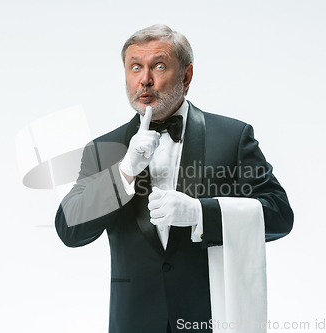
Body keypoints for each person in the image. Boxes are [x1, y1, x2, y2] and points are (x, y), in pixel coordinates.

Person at [55, 24, 293, 333]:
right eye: (135, 67)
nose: (145, 80)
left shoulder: (232, 138)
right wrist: (124, 171)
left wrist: (200, 213)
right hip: (134, 323)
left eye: (159, 66)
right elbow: (69, 229)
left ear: (187, 75)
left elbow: (279, 215)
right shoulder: (104, 150)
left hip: (212, 319)